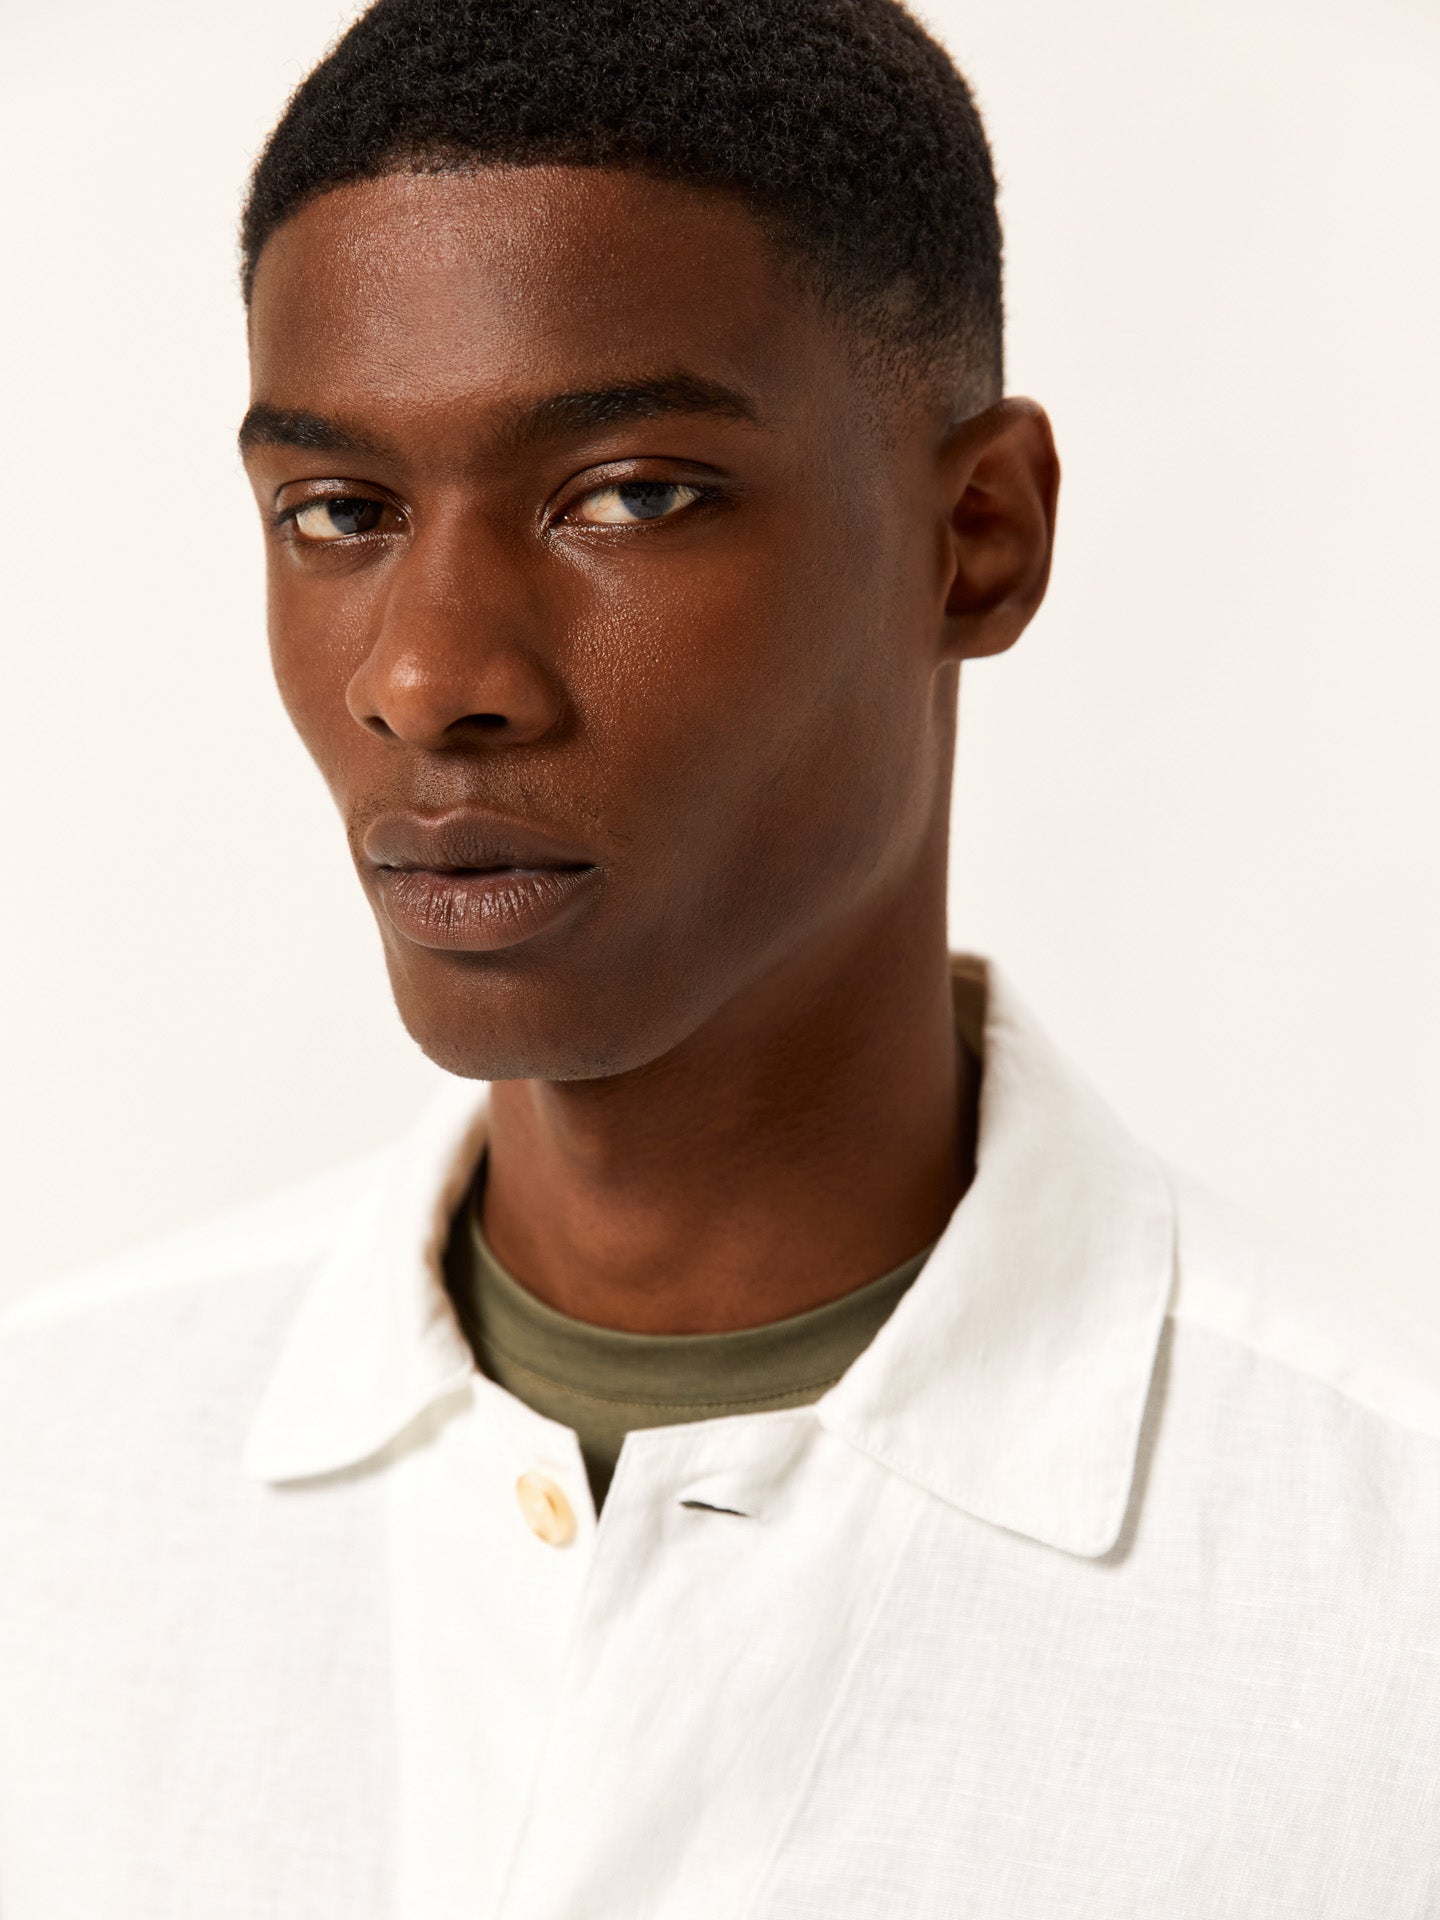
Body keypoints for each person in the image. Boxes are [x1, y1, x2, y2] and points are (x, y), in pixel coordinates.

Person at [2, 0, 1437, 1912]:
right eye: (340, 512)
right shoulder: (49, 1487)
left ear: (978, 538)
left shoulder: (1387, 1600)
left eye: (630, 495)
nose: (426, 676)